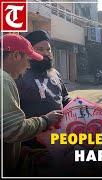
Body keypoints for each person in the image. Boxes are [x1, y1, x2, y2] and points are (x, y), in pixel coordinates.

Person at [0, 34, 63, 176]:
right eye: (28, 59)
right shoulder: (4, 80)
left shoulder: (54, 73)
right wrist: (45, 120)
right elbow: (12, 130)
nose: (29, 65)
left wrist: (20, 152)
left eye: (48, 49)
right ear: (16, 56)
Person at [15, 30, 71, 148]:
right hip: (30, 144)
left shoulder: (55, 73)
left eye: (48, 49)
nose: (46, 53)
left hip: (59, 141)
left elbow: (65, 97)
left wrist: (75, 105)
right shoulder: (19, 74)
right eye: (40, 49)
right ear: (29, 52)